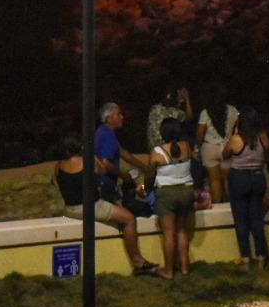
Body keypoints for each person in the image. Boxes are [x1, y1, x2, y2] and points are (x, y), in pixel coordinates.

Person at [54, 135, 158, 276]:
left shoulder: (58, 166)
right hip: (91, 207)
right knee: (129, 219)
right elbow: (102, 170)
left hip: (70, 209)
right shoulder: (88, 161)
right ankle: (138, 261)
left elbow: (58, 182)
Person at [223, 106, 269, 269]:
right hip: (258, 177)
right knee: (257, 218)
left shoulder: (237, 139)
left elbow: (225, 154)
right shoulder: (263, 137)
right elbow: (267, 154)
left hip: (239, 178)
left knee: (240, 219)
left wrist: (235, 132)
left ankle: (245, 256)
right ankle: (261, 256)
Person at [148, 117, 195, 279]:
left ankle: (168, 271)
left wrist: (145, 188)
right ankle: (185, 268)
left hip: (167, 194)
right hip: (186, 191)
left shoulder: (157, 152)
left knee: (168, 233)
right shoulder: (187, 146)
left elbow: (149, 175)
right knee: (181, 230)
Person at [94, 102, 154, 222]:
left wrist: (143, 166)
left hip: (114, 185)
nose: (122, 117)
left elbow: (122, 152)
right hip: (106, 186)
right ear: (109, 118)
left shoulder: (106, 132)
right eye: (119, 114)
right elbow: (105, 163)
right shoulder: (106, 135)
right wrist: (124, 176)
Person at [195, 94, 238, 204]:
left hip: (210, 147)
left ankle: (217, 206)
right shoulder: (232, 110)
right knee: (227, 179)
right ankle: (231, 204)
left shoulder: (205, 112)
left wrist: (199, 147)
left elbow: (200, 133)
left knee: (214, 180)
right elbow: (238, 128)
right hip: (227, 147)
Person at [146, 87, 193, 151]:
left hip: (152, 148)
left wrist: (177, 100)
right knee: (187, 139)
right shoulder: (175, 113)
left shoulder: (154, 108)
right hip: (164, 149)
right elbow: (189, 118)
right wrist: (187, 99)